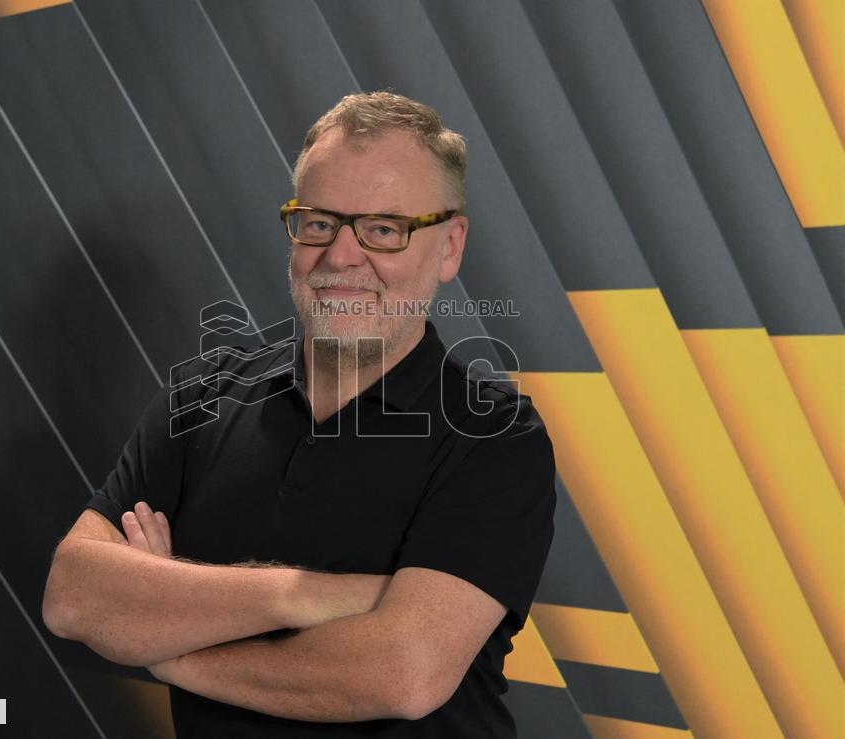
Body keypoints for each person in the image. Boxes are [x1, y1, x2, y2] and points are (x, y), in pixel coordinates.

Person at [42, 91, 557, 737]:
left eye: (384, 228)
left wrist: (169, 645)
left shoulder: (493, 435)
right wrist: (307, 594)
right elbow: (74, 596)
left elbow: (403, 672)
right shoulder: (199, 397)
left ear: (449, 245)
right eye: (318, 222)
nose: (342, 256)